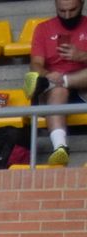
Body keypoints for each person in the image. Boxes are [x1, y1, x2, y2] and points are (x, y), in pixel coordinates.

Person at [27, 0, 87, 166]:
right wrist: (48, 74)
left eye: (72, 10)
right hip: (55, 88)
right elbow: (35, 65)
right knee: (58, 90)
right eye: (62, 11)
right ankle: (60, 146)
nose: (67, 16)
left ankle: (57, 83)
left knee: (59, 86)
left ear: (82, 4)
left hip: (84, 84)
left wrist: (82, 56)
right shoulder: (43, 29)